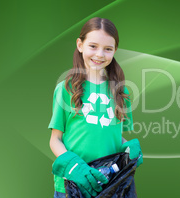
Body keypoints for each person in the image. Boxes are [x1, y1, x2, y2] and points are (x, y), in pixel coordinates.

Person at [48, 17, 143, 198]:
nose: (99, 54)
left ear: (115, 50)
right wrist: (74, 166)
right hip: (71, 184)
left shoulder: (121, 92)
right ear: (80, 45)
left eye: (107, 49)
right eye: (93, 46)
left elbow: (112, 135)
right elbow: (55, 139)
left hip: (110, 184)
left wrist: (129, 150)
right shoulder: (66, 89)